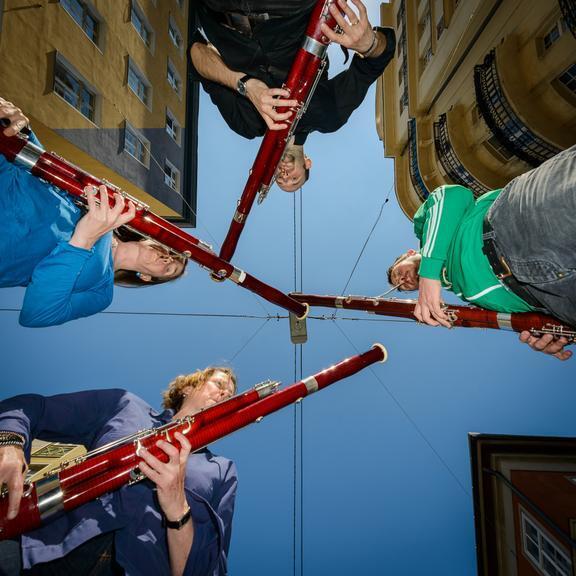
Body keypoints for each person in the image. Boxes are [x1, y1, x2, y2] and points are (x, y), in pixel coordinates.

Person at [0, 367, 238, 576]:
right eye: (219, 385)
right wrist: (10, 442)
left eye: (230, 394)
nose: (225, 395)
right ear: (188, 388)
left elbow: (206, 569)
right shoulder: (126, 405)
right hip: (39, 549)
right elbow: (37, 408)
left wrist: (178, 510)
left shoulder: (222, 470)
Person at [0, 97, 187, 328]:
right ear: (150, 240)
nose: (167, 258)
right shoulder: (105, 209)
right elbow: (48, 174)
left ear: (147, 278)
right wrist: (23, 130)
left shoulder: (102, 291)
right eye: (171, 253)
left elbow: (37, 315)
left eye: (169, 268)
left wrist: (84, 239)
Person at [387, 146, 576, 361]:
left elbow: (453, 196)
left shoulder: (424, 230)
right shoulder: (464, 293)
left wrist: (429, 272)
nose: (402, 280)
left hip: (514, 226)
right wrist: (545, 330)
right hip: (550, 298)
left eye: (398, 273)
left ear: (409, 253)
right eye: (402, 286)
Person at [190, 0, 396, 191]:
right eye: (295, 179)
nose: (286, 175)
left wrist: (245, 85)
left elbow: (196, 52)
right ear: (307, 162)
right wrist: (369, 45)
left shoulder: (246, 125)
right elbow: (371, 67)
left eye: (280, 180)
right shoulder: (329, 116)